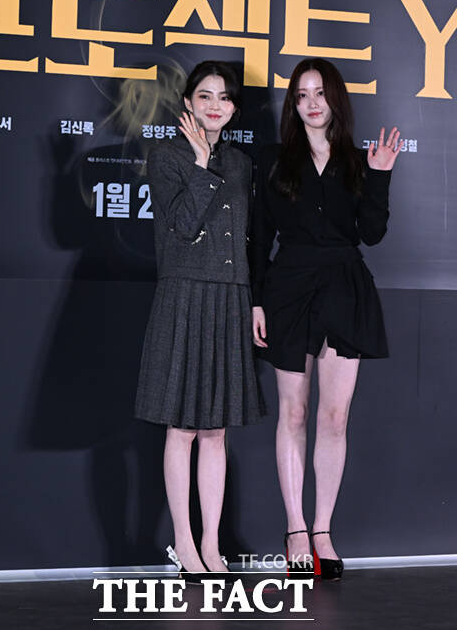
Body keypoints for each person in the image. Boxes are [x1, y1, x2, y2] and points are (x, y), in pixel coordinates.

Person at [250, 58, 402, 580]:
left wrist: (380, 175)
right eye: (302, 95)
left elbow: (372, 234)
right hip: (288, 287)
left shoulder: (360, 162)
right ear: (293, 105)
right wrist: (256, 300)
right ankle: (295, 529)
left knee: (334, 418)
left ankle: (322, 531)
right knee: (293, 413)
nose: (312, 103)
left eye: (320, 93)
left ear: (336, 99)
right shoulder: (273, 160)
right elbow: (258, 235)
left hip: (343, 287)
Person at [135, 61, 265, 579]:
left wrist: (250, 299)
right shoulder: (167, 156)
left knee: (216, 430)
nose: (215, 105)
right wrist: (200, 161)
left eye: (225, 97)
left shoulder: (242, 163)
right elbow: (183, 228)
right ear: (187, 102)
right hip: (185, 294)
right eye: (205, 95)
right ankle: (184, 544)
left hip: (229, 298)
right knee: (183, 428)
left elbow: (246, 242)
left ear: (234, 108)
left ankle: (212, 545)